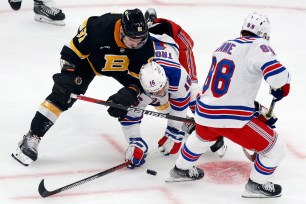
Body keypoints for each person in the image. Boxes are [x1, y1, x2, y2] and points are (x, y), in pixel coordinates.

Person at [167, 12, 290, 199]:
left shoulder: (225, 45)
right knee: (276, 147)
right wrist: (282, 87)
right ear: (264, 34)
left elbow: (230, 87)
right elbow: (278, 76)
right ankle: (256, 185)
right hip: (232, 117)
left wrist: (256, 109)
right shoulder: (259, 45)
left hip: (205, 110)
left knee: (201, 137)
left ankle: (180, 170)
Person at [12, 8, 155, 166]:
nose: (136, 44)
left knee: (154, 89)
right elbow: (70, 53)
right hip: (91, 63)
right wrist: (66, 76)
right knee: (63, 96)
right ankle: (32, 136)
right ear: (121, 29)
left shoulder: (145, 43)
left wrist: (130, 93)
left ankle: (178, 124)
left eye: (140, 39)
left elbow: (141, 78)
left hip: (123, 68)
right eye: (131, 39)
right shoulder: (99, 28)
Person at [121, 33, 225, 168]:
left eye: (162, 88)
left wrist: (173, 133)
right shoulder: (139, 85)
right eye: (155, 91)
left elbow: (180, 105)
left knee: (195, 98)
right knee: (161, 102)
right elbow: (129, 119)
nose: (160, 93)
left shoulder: (178, 76)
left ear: (165, 78)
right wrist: (134, 142)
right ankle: (188, 122)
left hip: (176, 48)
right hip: (149, 50)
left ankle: (215, 127)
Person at [144, 8, 227, 157]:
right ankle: (187, 122)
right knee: (159, 98)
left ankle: (211, 123)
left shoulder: (176, 36)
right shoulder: (142, 46)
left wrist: (191, 82)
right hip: (162, 64)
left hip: (179, 55)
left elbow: (187, 47)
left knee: (192, 93)